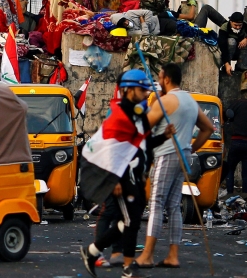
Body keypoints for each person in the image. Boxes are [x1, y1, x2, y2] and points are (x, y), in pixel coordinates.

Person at [80, 70, 173, 278]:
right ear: (128, 90)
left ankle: (92, 251)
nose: (145, 94)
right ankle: (129, 268)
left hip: (137, 175)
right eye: (141, 90)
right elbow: (111, 149)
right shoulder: (119, 115)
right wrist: (115, 180)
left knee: (129, 220)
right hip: (121, 176)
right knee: (130, 221)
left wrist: (164, 137)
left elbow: (144, 144)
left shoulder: (139, 113)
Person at [133, 63, 214, 269]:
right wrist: (192, 148)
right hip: (183, 154)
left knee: (156, 202)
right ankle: (172, 255)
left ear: (166, 79)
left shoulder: (165, 101)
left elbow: (143, 128)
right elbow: (208, 128)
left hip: (166, 154)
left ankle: (148, 254)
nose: (158, 82)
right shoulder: (189, 100)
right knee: (173, 205)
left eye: (160, 78)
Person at [222, 93, 247, 196]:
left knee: (230, 168)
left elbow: (227, 114)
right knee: (246, 171)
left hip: (236, 141)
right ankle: (245, 193)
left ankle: (229, 192)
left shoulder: (236, 103)